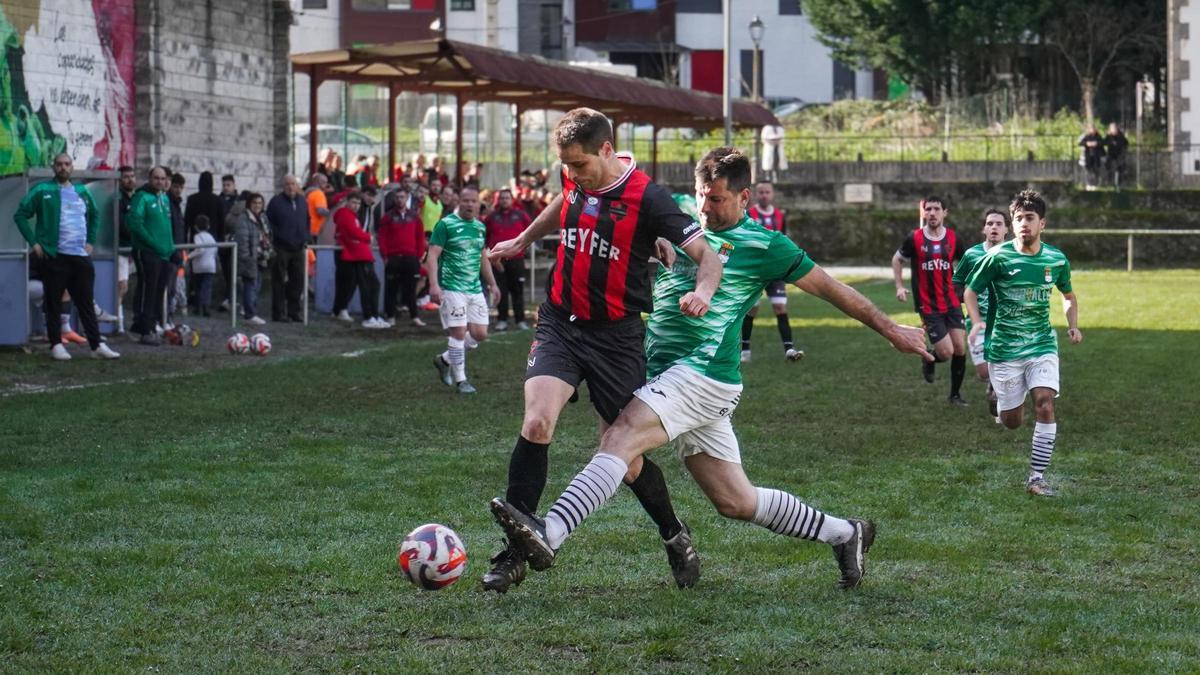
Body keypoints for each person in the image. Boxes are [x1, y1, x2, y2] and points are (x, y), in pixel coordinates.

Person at [489, 147, 930, 590]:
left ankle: (551, 532)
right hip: (665, 373)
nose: (705, 207)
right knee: (736, 501)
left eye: (716, 199)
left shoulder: (766, 245)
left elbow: (832, 289)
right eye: (701, 195)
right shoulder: (681, 227)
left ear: (744, 198)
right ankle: (845, 533)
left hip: (702, 375)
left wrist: (890, 328)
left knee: (619, 439)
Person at [483, 107, 722, 594]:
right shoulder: (577, 181)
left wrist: (703, 292)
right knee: (536, 422)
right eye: (564, 166)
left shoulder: (648, 198)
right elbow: (563, 201)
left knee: (626, 456)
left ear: (607, 151)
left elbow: (709, 257)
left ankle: (674, 533)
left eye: (580, 165)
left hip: (616, 338)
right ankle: (514, 554)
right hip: (560, 322)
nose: (572, 175)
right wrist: (525, 238)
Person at [965, 190, 1082, 497]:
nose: (1023, 224)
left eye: (1029, 218)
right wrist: (977, 321)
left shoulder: (1056, 259)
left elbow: (1068, 296)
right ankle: (997, 397)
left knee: (1044, 403)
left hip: (1042, 344)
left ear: (1042, 223)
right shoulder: (997, 257)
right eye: (1018, 219)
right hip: (1004, 350)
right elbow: (970, 291)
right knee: (1012, 421)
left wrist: (1072, 325)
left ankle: (1036, 478)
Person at [12, 153, 120, 360]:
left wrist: (90, 241)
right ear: (54, 167)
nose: (63, 167)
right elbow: (20, 215)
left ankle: (96, 345)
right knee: (53, 302)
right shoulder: (42, 190)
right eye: (59, 164)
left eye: (67, 164)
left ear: (72, 167)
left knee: (86, 302)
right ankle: (56, 344)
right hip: (55, 256)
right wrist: (34, 242)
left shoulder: (82, 191)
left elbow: (95, 215)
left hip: (79, 256)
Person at [892, 196, 969, 406]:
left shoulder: (954, 238)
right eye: (929, 209)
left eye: (936, 209)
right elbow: (897, 259)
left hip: (952, 302)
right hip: (928, 305)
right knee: (946, 352)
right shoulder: (914, 238)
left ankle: (955, 395)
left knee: (960, 349)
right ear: (924, 213)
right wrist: (899, 286)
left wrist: (965, 287)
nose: (932, 213)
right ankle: (929, 358)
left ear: (945, 212)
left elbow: (965, 263)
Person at [428, 186, 500, 393]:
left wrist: (492, 283)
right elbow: (432, 255)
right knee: (458, 332)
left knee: (479, 334)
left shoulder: (479, 227)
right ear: (458, 202)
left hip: (475, 289)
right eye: (466, 200)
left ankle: (444, 360)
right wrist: (434, 284)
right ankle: (461, 380)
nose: (470, 204)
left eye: (473, 201)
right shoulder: (446, 225)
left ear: (479, 204)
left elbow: (482, 257)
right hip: (452, 288)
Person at [951, 208, 1009, 416]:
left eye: (999, 224)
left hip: (1005, 321)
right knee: (984, 371)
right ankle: (994, 386)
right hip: (977, 321)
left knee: (1001, 363)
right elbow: (956, 282)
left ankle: (999, 392)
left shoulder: (1013, 254)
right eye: (990, 223)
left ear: (1006, 229)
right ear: (984, 229)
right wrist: (962, 300)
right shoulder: (972, 254)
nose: (994, 227)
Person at [741, 180, 802, 362]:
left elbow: (782, 239)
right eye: (760, 192)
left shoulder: (779, 216)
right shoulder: (748, 214)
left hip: (775, 270)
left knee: (780, 307)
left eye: (767, 192)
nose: (764, 195)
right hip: (755, 271)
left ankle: (789, 349)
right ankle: (745, 351)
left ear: (772, 194)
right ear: (754, 194)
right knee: (752, 309)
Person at [125, 166, 175, 344]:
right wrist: (154, 244)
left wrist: (170, 247)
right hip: (146, 251)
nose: (160, 182)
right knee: (148, 289)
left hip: (163, 253)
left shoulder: (164, 197)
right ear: (149, 178)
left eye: (163, 178)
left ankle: (148, 324)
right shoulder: (141, 197)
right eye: (156, 178)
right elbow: (135, 224)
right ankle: (145, 329)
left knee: (159, 290)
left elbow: (167, 226)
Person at [333, 191, 386, 329]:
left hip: (357, 254)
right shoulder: (345, 215)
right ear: (347, 202)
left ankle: (344, 310)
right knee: (360, 284)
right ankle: (367, 315)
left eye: (358, 203)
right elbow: (352, 231)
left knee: (354, 284)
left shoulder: (352, 215)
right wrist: (367, 237)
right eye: (354, 202)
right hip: (355, 254)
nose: (356, 206)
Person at [377, 186, 426, 327]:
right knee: (391, 288)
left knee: (411, 289)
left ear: (407, 198)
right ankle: (390, 316)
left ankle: (414, 316)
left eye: (402, 197)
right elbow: (382, 238)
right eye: (397, 197)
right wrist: (385, 256)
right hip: (394, 258)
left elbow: (419, 237)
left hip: (411, 258)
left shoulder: (415, 217)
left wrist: (419, 255)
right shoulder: (388, 217)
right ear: (394, 198)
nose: (400, 200)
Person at [484, 187, 532, 331]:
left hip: (516, 259)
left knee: (518, 290)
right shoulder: (491, 217)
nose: (504, 200)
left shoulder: (521, 215)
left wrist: (525, 247)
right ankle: (502, 319)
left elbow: (531, 232)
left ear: (512, 200)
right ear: (498, 200)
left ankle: (520, 320)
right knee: (500, 290)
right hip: (497, 261)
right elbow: (485, 237)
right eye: (502, 198)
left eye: (507, 198)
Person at [266, 175, 308, 322]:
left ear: (297, 186)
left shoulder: (302, 202)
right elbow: (269, 223)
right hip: (281, 247)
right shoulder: (276, 202)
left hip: (298, 248)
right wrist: (277, 238)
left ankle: (294, 311)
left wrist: (305, 237)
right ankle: (278, 313)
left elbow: (307, 221)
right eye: (287, 184)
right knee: (278, 281)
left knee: (297, 280)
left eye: (293, 184)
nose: (290, 187)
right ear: (283, 186)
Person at [234, 193, 270, 326]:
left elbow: (267, 234)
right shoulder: (243, 219)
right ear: (249, 203)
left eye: (260, 203)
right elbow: (243, 240)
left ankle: (249, 309)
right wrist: (247, 258)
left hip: (261, 257)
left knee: (257, 285)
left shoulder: (262, 218)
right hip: (250, 258)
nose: (257, 205)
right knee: (250, 285)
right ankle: (250, 314)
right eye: (255, 202)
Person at [163, 173, 187, 325]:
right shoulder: (168, 203)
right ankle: (164, 317)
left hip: (177, 251)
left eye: (180, 187)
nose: (178, 190)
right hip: (170, 252)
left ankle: (168, 316)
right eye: (176, 186)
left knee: (172, 288)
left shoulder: (176, 204)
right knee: (167, 288)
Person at [116, 165, 137, 333]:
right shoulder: (118, 198)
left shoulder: (136, 198)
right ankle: (118, 322)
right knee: (121, 286)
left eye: (132, 176)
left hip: (134, 249)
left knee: (126, 286)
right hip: (121, 248)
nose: (130, 179)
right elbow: (122, 225)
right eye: (126, 176)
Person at [190, 215, 218, 317]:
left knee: (198, 287)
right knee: (207, 287)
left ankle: (198, 307)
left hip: (199, 265)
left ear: (195, 227)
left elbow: (200, 249)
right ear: (208, 226)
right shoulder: (211, 237)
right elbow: (215, 249)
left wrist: (189, 256)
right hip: (210, 265)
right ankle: (206, 306)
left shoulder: (197, 236)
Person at [218, 174, 238, 311]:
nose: (226, 188)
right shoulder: (218, 200)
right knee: (226, 270)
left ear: (234, 185)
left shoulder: (238, 201)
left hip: (235, 239)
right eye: (224, 185)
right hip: (221, 239)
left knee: (233, 271)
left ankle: (232, 298)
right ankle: (228, 297)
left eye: (228, 185)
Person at [1079, 125, 1105, 191]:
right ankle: (1089, 184)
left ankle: (1095, 184)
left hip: (1096, 157)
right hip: (1088, 156)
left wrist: (1096, 144)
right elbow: (1081, 143)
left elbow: (1102, 143)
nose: (1092, 131)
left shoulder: (1098, 137)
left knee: (1096, 170)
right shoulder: (1087, 136)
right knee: (1088, 170)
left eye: (1094, 129)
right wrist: (1087, 144)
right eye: (1091, 129)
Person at [1104, 123, 1129, 190]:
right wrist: (1108, 136)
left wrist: (1119, 145)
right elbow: (1104, 142)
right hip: (1111, 153)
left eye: (1114, 129)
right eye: (1112, 129)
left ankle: (1118, 184)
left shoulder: (1120, 135)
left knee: (1119, 167)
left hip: (1119, 153)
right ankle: (1108, 182)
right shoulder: (1109, 136)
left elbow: (1126, 143)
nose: (1113, 130)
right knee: (1108, 165)